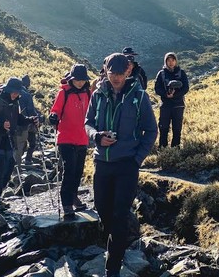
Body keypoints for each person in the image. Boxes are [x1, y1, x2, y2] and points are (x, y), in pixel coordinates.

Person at [85, 53, 158, 277]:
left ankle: (113, 266)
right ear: (105, 71)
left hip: (127, 165)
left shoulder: (138, 95)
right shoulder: (98, 94)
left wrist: (137, 159)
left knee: (120, 213)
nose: (115, 77)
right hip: (103, 163)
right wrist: (97, 136)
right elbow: (88, 123)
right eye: (111, 72)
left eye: (120, 73)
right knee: (102, 209)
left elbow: (151, 130)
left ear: (127, 71)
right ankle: (116, 245)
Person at [0, 77, 39, 212]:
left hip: (8, 142)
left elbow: (18, 120)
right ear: (7, 90)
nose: (15, 94)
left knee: (8, 171)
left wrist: (30, 120)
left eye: (17, 92)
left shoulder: (15, 104)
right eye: (13, 92)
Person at [48, 64, 92, 219]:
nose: (80, 83)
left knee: (78, 170)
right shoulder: (64, 92)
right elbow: (56, 109)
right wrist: (53, 116)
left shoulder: (88, 92)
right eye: (77, 80)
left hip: (82, 138)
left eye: (82, 80)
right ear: (71, 79)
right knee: (70, 169)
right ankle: (67, 203)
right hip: (66, 138)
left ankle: (74, 197)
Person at [154, 52, 189, 148]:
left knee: (177, 128)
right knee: (163, 127)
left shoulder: (181, 73)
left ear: (176, 61)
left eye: (173, 60)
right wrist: (166, 94)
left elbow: (186, 88)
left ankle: (175, 148)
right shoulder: (161, 74)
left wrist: (175, 95)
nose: (171, 62)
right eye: (168, 60)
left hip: (178, 105)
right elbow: (157, 88)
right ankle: (162, 148)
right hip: (165, 105)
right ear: (165, 61)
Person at [16, 75, 40, 166]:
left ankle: (16, 165)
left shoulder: (15, 92)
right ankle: (28, 159)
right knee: (32, 142)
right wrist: (36, 118)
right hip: (27, 122)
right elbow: (31, 110)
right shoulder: (27, 95)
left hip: (16, 123)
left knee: (19, 145)